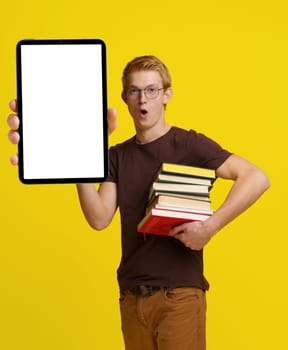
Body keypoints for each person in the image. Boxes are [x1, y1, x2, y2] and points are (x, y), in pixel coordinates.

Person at [7, 55, 270, 350]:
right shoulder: (116, 156)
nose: (143, 99)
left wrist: (210, 226)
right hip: (132, 299)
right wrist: (82, 156)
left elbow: (256, 177)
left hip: (179, 296)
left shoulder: (188, 144)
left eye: (152, 90)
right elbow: (99, 218)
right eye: (134, 91)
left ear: (166, 94)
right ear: (125, 98)